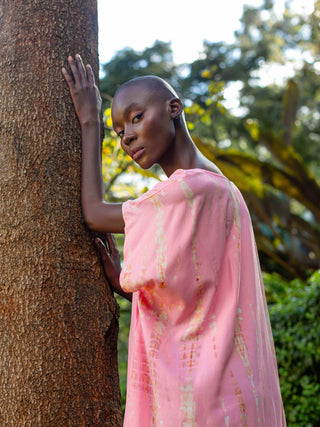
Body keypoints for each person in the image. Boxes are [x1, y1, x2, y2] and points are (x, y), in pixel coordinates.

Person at [62, 54, 286, 426]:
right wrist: (123, 280)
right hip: (240, 388)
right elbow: (195, 297)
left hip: (205, 398)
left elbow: (94, 213)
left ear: (173, 108)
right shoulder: (224, 190)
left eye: (136, 117)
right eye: (118, 131)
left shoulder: (188, 189)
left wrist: (89, 122)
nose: (127, 136)